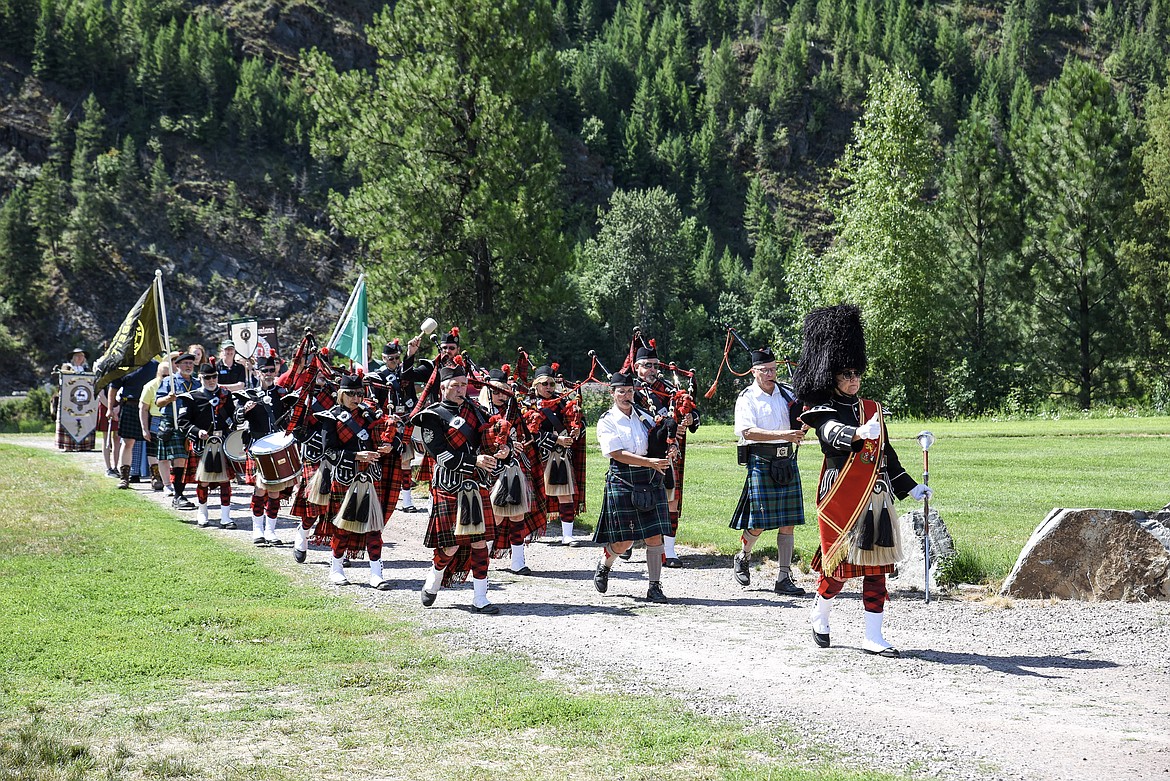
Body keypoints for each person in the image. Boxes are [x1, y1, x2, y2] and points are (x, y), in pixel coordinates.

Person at [793, 304, 932, 658]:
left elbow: (887, 453)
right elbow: (829, 435)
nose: (853, 379)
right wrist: (856, 433)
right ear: (831, 376)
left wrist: (909, 486)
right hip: (842, 495)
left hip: (877, 497)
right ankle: (820, 612)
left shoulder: (872, 407)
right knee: (839, 570)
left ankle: (874, 635)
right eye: (846, 373)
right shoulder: (822, 408)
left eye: (856, 372)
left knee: (877, 570)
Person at [414, 359, 506, 614]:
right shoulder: (432, 416)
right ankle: (433, 581)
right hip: (449, 485)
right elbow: (439, 455)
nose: (461, 389)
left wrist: (503, 448)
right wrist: (474, 460)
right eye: (455, 385)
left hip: (476, 485)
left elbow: (491, 435)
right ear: (443, 387)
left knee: (481, 542)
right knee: (450, 545)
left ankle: (480, 599)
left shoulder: (476, 410)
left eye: (464, 384)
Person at [729, 346, 808, 596]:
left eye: (773, 369)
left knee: (789, 523)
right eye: (765, 370)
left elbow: (800, 419)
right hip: (761, 461)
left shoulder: (786, 394)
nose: (771, 374)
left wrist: (805, 424)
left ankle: (784, 577)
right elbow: (747, 432)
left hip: (787, 462)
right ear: (753, 371)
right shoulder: (747, 397)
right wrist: (785, 434)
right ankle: (743, 556)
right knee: (760, 523)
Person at [591, 371, 672, 604]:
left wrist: (669, 449)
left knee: (655, 536)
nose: (626, 396)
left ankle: (654, 587)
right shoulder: (607, 420)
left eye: (629, 391)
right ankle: (605, 564)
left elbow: (658, 440)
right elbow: (617, 454)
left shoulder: (645, 416)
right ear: (612, 393)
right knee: (624, 541)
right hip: (624, 479)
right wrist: (650, 462)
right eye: (621, 392)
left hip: (648, 479)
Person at [313, 374, 396, 590]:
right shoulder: (331, 417)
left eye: (359, 393)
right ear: (341, 394)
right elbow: (329, 452)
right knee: (342, 527)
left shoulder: (370, 415)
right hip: (345, 477)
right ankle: (336, 569)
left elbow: (388, 436)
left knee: (374, 527)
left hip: (371, 476)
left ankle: (376, 574)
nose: (355, 398)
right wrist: (357, 456)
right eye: (351, 394)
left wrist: (390, 445)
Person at [632, 342, 699, 567]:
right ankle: (630, 539)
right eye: (646, 365)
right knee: (641, 499)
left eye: (654, 365)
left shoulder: (668, 387)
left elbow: (689, 408)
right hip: (643, 451)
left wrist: (689, 419)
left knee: (671, 499)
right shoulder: (630, 390)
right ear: (636, 367)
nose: (652, 369)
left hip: (672, 452)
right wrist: (668, 427)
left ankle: (669, 551)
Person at [480, 367, 547, 575]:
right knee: (495, 517)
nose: (500, 395)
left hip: (513, 467)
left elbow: (524, 436)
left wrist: (515, 445)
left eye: (503, 391)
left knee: (517, 514)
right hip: (488, 469)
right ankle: (483, 558)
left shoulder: (514, 410)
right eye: (496, 391)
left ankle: (518, 561)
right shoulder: (478, 410)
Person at [235, 353, 295, 545]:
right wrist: (244, 410)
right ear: (257, 372)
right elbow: (237, 419)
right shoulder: (248, 395)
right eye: (265, 371)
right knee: (260, 490)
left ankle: (271, 531)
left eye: (271, 370)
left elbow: (293, 416)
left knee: (275, 492)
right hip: (258, 447)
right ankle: (257, 530)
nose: (269, 374)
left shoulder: (282, 394)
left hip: (277, 447)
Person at [524, 362, 586, 545]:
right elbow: (528, 433)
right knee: (532, 494)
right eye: (545, 384)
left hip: (560, 456)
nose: (549, 388)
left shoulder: (564, 402)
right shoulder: (528, 405)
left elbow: (580, 423)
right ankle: (529, 530)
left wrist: (577, 430)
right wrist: (555, 439)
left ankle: (567, 535)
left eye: (552, 384)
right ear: (536, 385)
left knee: (565, 494)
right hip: (536, 456)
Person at [177, 363, 239, 529]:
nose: (211, 381)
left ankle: (226, 517)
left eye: (214, 377)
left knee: (225, 481)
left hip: (222, 442)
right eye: (207, 378)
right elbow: (182, 421)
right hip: (202, 443)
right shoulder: (192, 397)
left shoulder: (226, 394)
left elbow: (232, 418)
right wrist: (197, 431)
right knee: (203, 481)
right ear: (200, 378)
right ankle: (202, 513)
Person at [155, 353, 198, 509]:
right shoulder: (169, 382)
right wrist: (168, 398)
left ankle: (197, 492)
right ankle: (178, 496)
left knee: (189, 461)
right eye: (185, 363)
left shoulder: (198, 384)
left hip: (191, 426)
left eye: (191, 363)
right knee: (179, 459)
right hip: (172, 424)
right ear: (177, 366)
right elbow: (158, 402)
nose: (188, 366)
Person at [111, 357, 159, 489]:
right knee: (128, 442)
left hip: (151, 407)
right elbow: (114, 387)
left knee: (152, 443)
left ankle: (156, 477)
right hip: (130, 405)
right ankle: (124, 478)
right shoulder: (125, 365)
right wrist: (110, 408)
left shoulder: (156, 365)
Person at [139, 358, 176, 492]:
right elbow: (143, 408)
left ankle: (171, 478)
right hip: (155, 419)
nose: (166, 378)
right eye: (164, 375)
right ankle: (156, 477)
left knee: (172, 452)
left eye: (169, 375)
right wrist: (144, 429)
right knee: (154, 450)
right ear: (158, 373)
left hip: (172, 419)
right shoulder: (150, 386)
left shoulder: (175, 384)